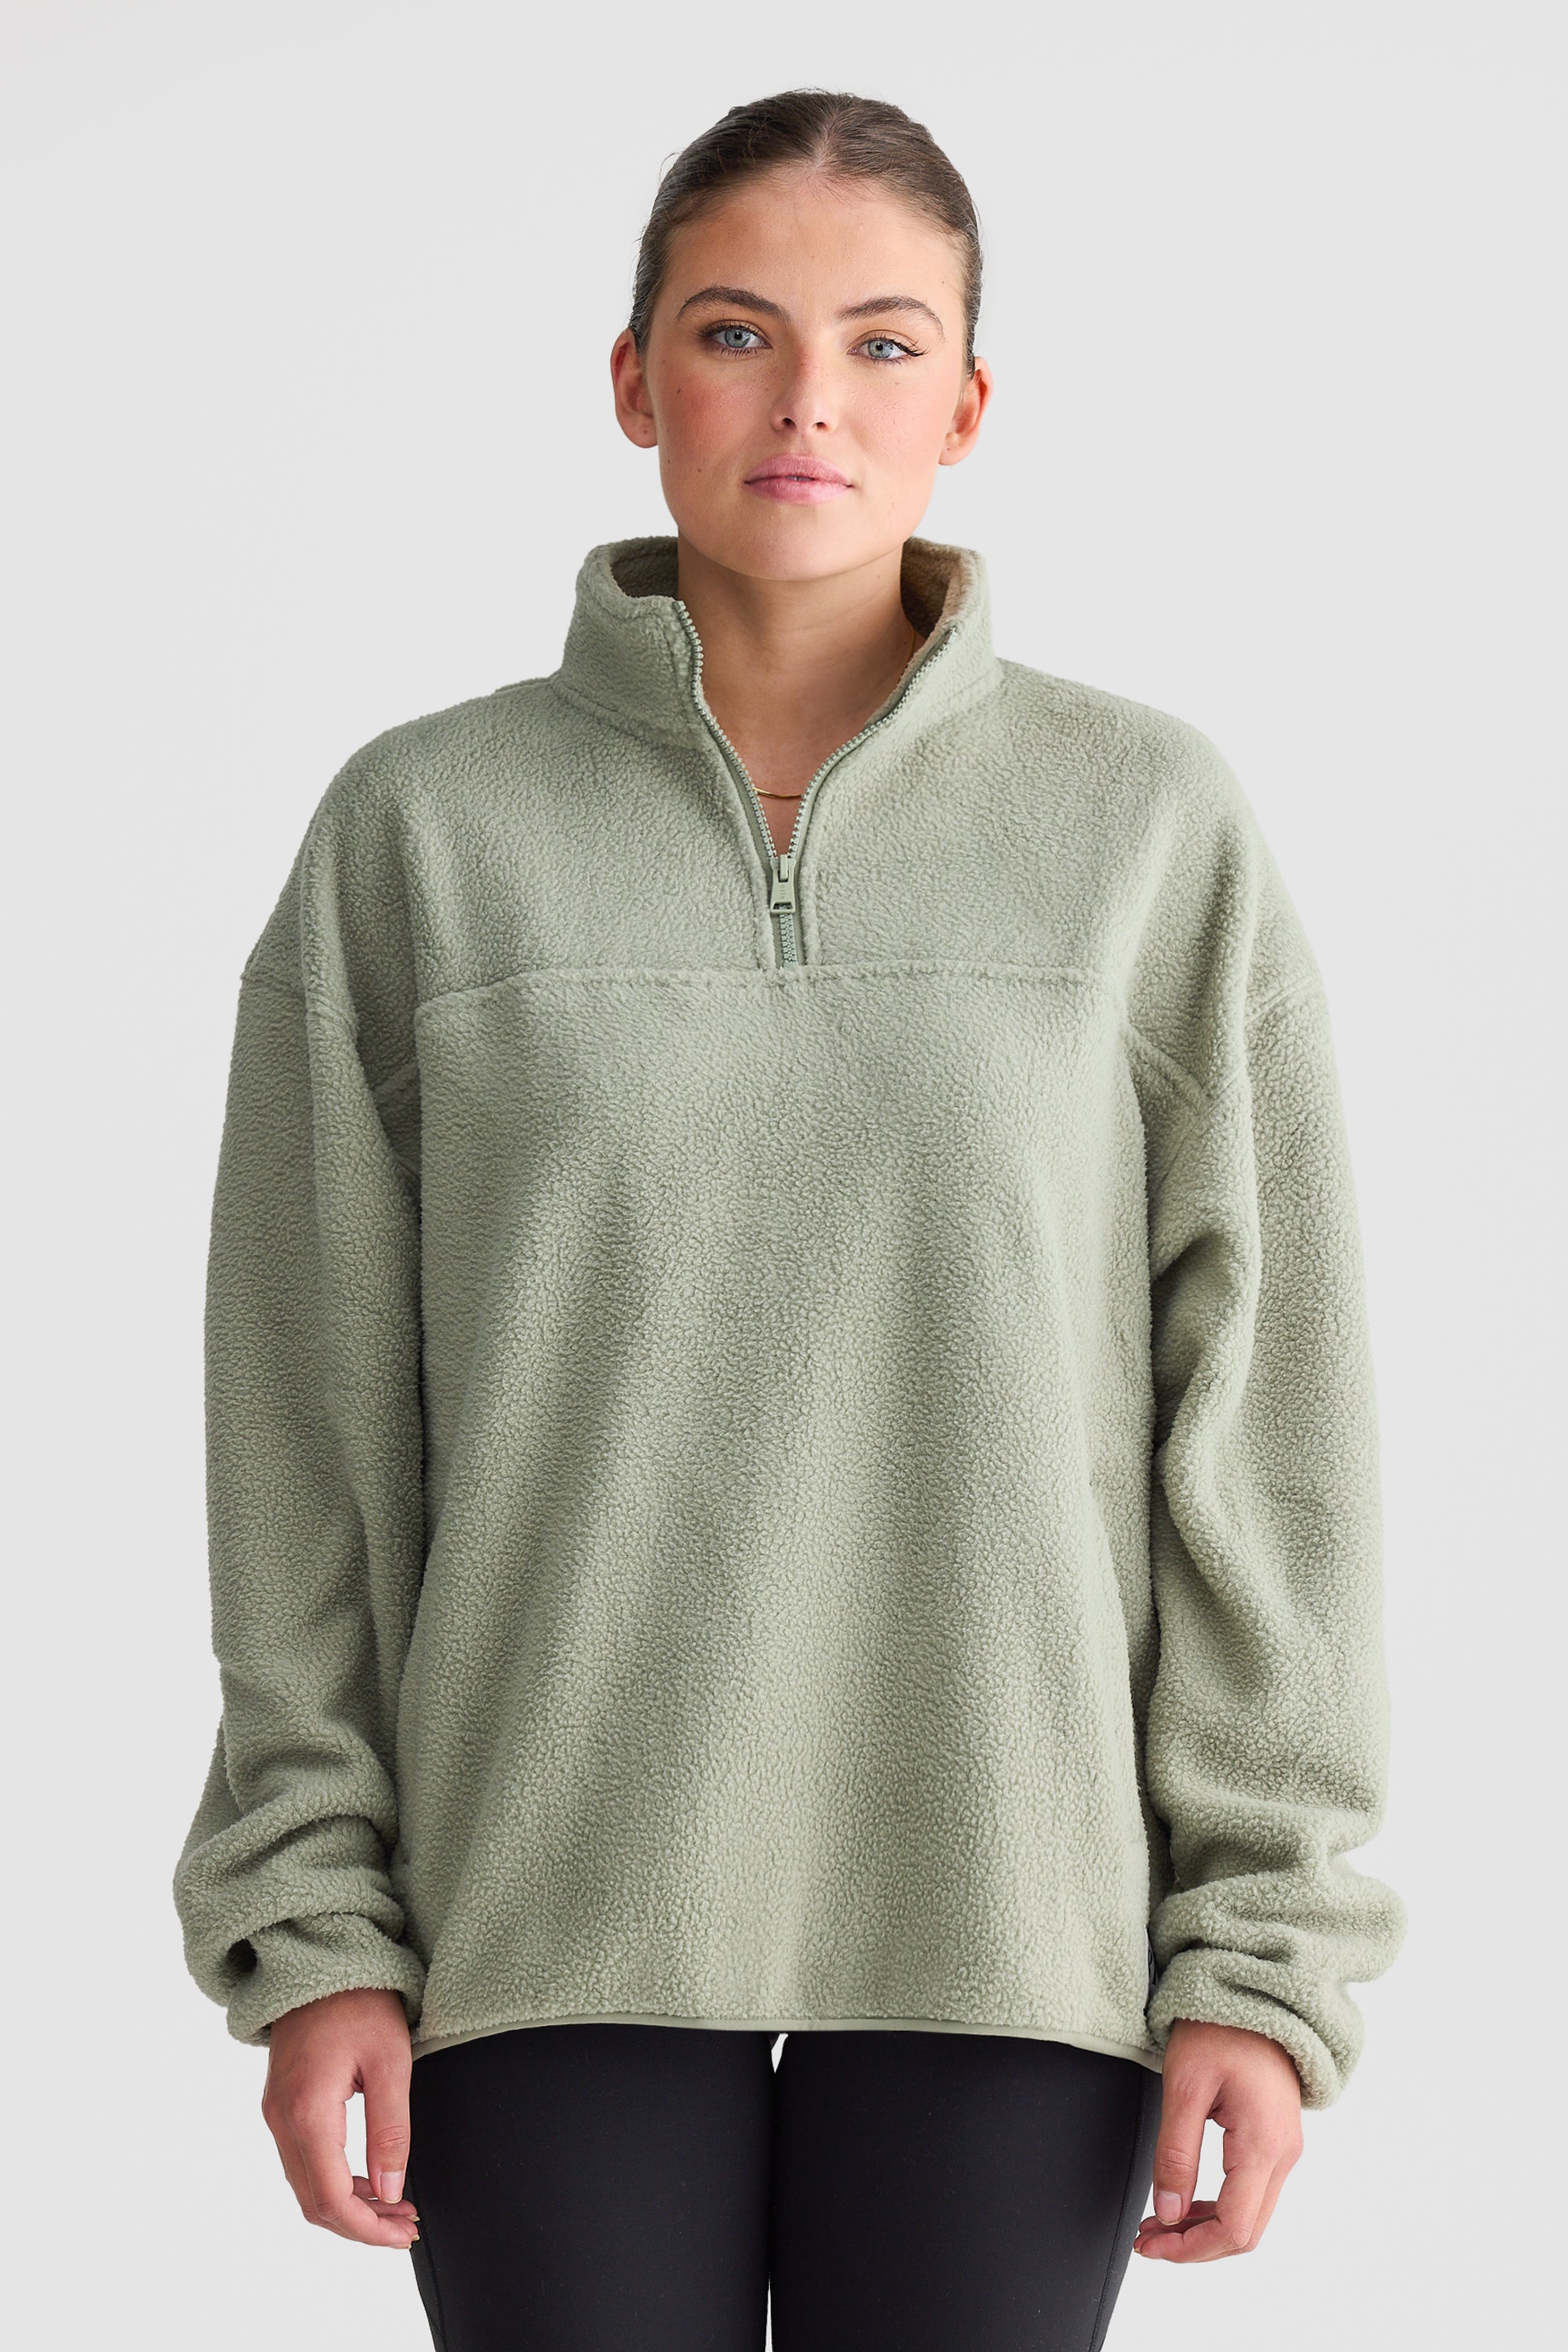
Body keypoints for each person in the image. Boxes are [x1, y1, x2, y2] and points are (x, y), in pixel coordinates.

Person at [172, 88, 1406, 2352]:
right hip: (537, 1905)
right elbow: (306, 1422)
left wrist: (1262, 1948)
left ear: (970, 403)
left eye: (883, 340)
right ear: (635, 381)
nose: (809, 399)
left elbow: (1268, 1430)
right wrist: (316, 1917)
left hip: (1017, 1914)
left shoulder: (1148, 828)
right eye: (737, 332)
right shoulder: (421, 832)